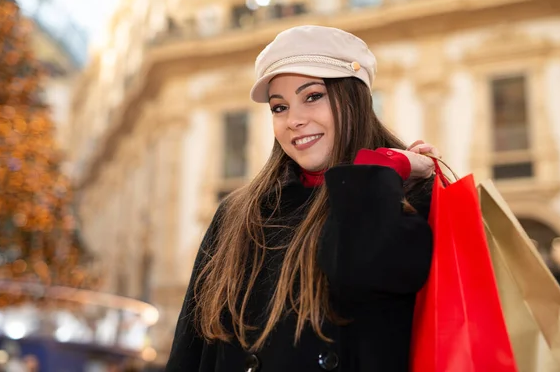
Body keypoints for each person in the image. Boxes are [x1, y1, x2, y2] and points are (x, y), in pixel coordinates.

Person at [166, 25, 439, 372]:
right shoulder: (238, 213)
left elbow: (358, 272)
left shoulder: (412, 197)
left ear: (353, 98)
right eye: (279, 107)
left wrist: (382, 168)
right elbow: (191, 348)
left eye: (312, 96)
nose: (294, 120)